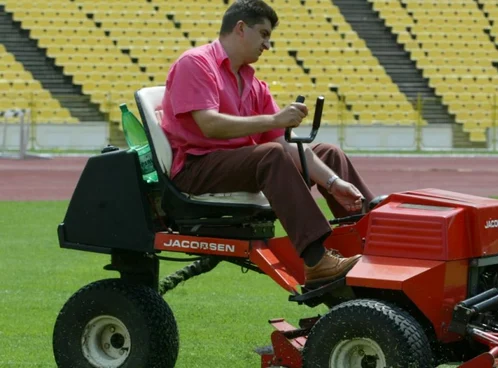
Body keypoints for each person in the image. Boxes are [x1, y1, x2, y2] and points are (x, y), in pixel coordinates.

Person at [160, 0, 374, 289]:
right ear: (240, 29)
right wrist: (273, 119)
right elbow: (209, 124)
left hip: (240, 164)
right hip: (196, 168)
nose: (267, 44)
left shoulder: (253, 82)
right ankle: (317, 261)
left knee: (327, 154)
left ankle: (375, 242)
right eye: (263, 34)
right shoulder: (196, 63)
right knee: (271, 155)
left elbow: (284, 143)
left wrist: (333, 182)